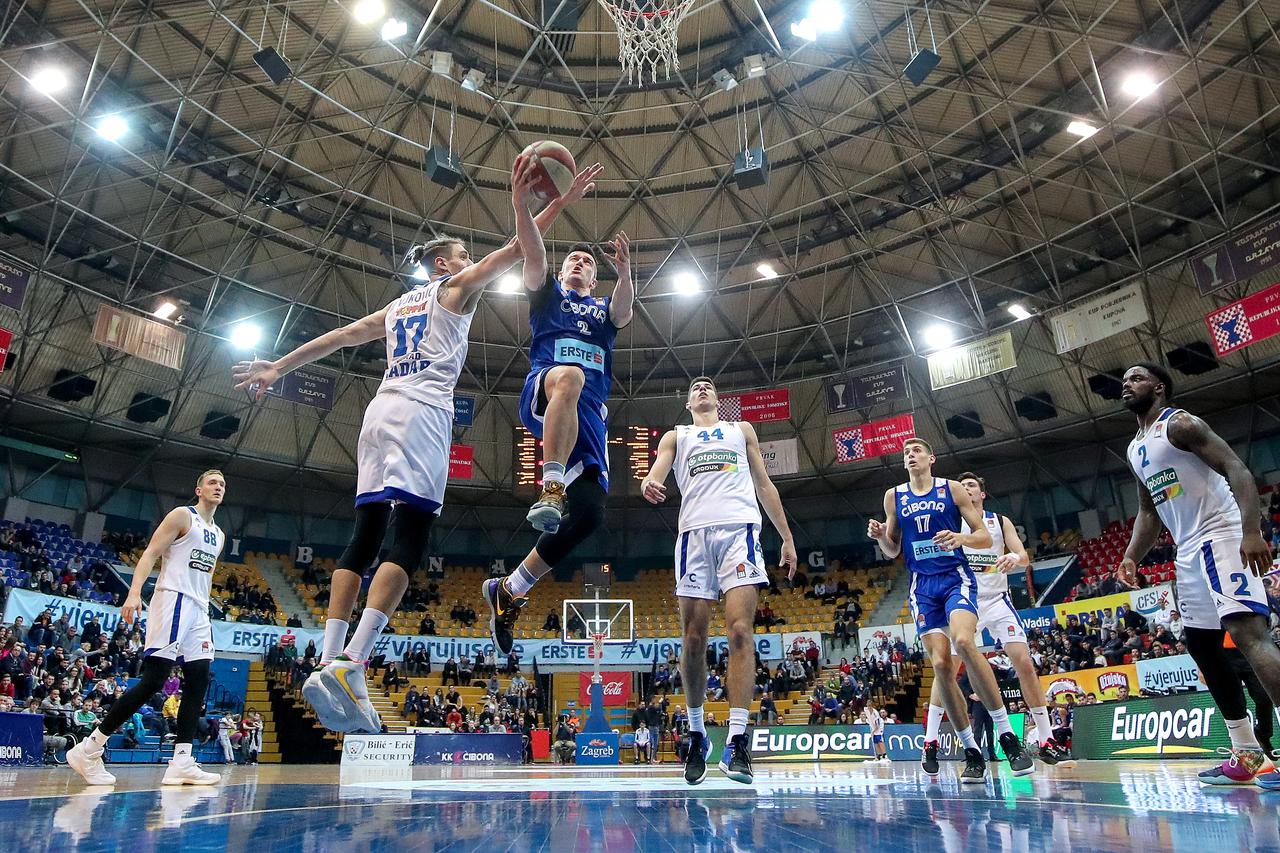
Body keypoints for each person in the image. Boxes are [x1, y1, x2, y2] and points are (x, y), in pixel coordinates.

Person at [234, 156, 599, 735]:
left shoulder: (394, 308)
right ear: (442, 262)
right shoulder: (451, 288)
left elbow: (342, 335)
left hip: (378, 411)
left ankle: (329, 658)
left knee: (365, 534)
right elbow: (517, 248)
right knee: (410, 536)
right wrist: (547, 203)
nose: (466, 261)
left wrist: (280, 365)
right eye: (460, 255)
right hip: (423, 411)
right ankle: (354, 661)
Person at [482, 164, 632, 657]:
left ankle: (510, 591)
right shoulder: (547, 295)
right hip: (544, 390)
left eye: (586, 262)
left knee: (588, 516)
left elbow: (624, 312)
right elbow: (533, 251)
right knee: (570, 374)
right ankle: (549, 485)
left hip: (587, 419)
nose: (578, 263)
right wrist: (524, 206)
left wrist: (626, 271)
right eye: (573, 258)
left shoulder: (604, 311)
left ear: (595, 274)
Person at [1117, 363, 1280, 789]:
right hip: (1188, 550)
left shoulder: (1181, 424)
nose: (1126, 384)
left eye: (1136, 378)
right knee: (1203, 647)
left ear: (1158, 387)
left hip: (1222, 534)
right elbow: (1150, 511)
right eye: (1125, 380)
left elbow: (1236, 468)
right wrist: (1132, 556)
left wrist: (1251, 530)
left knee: (1250, 637)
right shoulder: (1136, 448)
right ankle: (1246, 753)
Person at [639, 376, 798, 785]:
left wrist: (787, 538)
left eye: (708, 385)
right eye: (695, 386)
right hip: (694, 535)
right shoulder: (677, 435)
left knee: (741, 631)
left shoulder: (740, 429)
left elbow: (764, 483)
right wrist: (649, 481)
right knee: (693, 639)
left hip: (739, 531)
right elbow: (657, 469)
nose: (702, 388)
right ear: (688, 401)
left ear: (719, 399)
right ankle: (696, 735)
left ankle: (738, 742)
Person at [867, 439, 1033, 783]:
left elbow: (983, 538)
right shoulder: (894, 496)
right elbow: (892, 550)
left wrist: (961, 539)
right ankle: (970, 750)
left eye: (916, 451)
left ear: (931, 458)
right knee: (941, 664)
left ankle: (1007, 735)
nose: (910, 455)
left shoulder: (953, 489)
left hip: (956, 579)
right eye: (905, 453)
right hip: (922, 588)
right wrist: (881, 536)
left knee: (965, 642)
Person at [67, 469, 226, 787]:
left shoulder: (220, 534)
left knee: (198, 680)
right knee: (154, 679)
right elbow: (151, 553)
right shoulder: (183, 516)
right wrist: (134, 591)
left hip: (199, 609)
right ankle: (90, 747)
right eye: (212, 482)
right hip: (173, 600)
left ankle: (181, 761)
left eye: (222, 484)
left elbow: (204, 575)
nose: (218, 487)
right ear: (198, 489)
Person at [920, 472, 1073, 768]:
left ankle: (1046, 739)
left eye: (972, 486)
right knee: (945, 669)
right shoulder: (951, 522)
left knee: (1025, 663)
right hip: (964, 601)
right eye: (962, 486)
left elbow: (1023, 555)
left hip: (997, 600)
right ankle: (931, 739)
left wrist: (1015, 559)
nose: (966, 489)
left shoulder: (999, 521)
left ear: (982, 494)